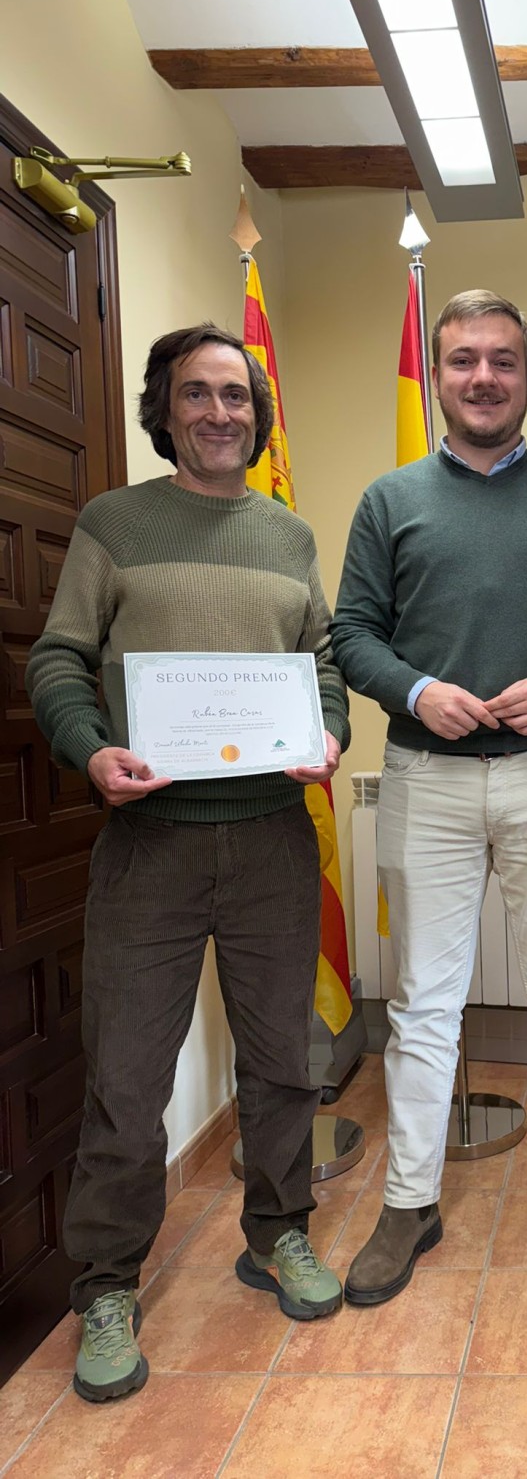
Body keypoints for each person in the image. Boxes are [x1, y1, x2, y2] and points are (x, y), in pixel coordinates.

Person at [27, 323, 350, 1403]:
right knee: (126, 1075)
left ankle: (280, 1232)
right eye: (199, 394)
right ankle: (107, 1282)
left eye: (239, 394)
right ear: (163, 409)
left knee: (281, 1061)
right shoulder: (111, 523)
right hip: (148, 843)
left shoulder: (292, 535)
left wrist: (331, 731)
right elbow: (61, 657)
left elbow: (322, 663)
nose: (223, 411)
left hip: (269, 837)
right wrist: (89, 747)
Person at [331, 289, 527, 1305]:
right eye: (462, 358)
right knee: (423, 1001)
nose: (482, 376)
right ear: (438, 372)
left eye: (501, 360)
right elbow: (352, 635)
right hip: (424, 775)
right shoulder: (389, 500)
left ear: (524, 375)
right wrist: (418, 689)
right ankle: (408, 1203)